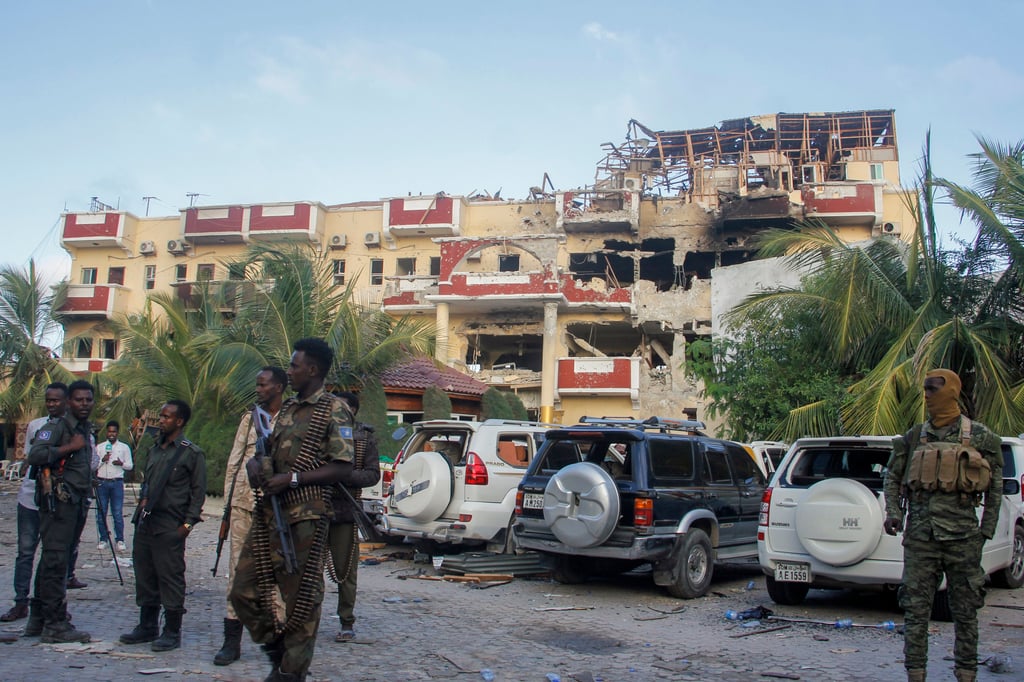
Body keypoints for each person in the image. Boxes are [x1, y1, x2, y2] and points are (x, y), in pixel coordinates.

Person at [230, 337, 356, 682]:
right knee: (243, 591)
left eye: (294, 366)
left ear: (312, 370)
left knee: (301, 602)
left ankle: (290, 672)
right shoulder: (286, 409)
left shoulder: (334, 409)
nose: (289, 371)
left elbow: (343, 467)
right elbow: (268, 453)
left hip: (306, 516)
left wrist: (293, 479)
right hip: (271, 512)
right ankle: (279, 653)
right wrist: (257, 465)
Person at [883, 369, 1003, 682]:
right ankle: (916, 674)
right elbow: (893, 476)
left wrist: (986, 531)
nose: (926, 396)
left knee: (965, 610)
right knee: (915, 609)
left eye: (933, 389)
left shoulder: (979, 436)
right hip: (921, 537)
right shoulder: (914, 437)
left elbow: (996, 486)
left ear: (950, 391)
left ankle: (966, 673)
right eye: (925, 390)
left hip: (963, 538)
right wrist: (893, 511)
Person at [214, 366, 287, 667]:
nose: (258, 389)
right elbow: (234, 464)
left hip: (280, 509)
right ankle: (231, 641)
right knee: (238, 573)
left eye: (264, 385)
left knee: (279, 575)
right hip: (245, 505)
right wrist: (227, 511)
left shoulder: (296, 419)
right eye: (256, 384)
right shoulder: (250, 420)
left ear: (280, 387)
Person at [120, 400, 206, 652]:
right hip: (147, 521)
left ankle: (172, 630)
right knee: (145, 574)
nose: (161, 420)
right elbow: (147, 482)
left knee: (170, 577)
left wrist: (187, 525)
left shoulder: (191, 453)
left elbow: (198, 492)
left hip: (171, 523)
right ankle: (147, 625)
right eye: (161, 416)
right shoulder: (155, 449)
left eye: (167, 417)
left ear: (179, 421)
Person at [24, 380, 96, 643]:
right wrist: (69, 448)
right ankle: (55, 623)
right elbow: (36, 456)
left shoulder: (84, 428)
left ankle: (38, 619)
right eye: (79, 400)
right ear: (68, 402)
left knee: (53, 560)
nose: (84, 404)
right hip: (58, 505)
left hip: (75, 502)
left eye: (88, 400)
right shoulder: (56, 427)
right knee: (55, 562)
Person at [1, 384, 71, 623]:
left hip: (58, 500)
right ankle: (20, 601)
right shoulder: (36, 426)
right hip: (31, 497)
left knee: (54, 554)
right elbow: (33, 457)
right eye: (48, 400)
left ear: (66, 402)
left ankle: (48, 604)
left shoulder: (74, 429)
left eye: (56, 400)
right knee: (25, 552)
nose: (52, 404)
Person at [329, 390, 380, 643]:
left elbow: (372, 475)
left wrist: (342, 475)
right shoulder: (319, 433)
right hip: (316, 507)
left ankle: (346, 621)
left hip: (345, 509)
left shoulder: (363, 437)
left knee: (346, 571)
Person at [94, 420, 134, 552]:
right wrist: (102, 460)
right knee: (101, 512)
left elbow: (130, 466)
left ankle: (120, 539)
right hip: (102, 482)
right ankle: (103, 538)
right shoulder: (100, 447)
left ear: (117, 433)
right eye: (110, 431)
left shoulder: (124, 447)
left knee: (117, 512)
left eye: (114, 432)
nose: (111, 434)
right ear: (107, 432)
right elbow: (93, 466)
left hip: (116, 482)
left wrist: (121, 463)